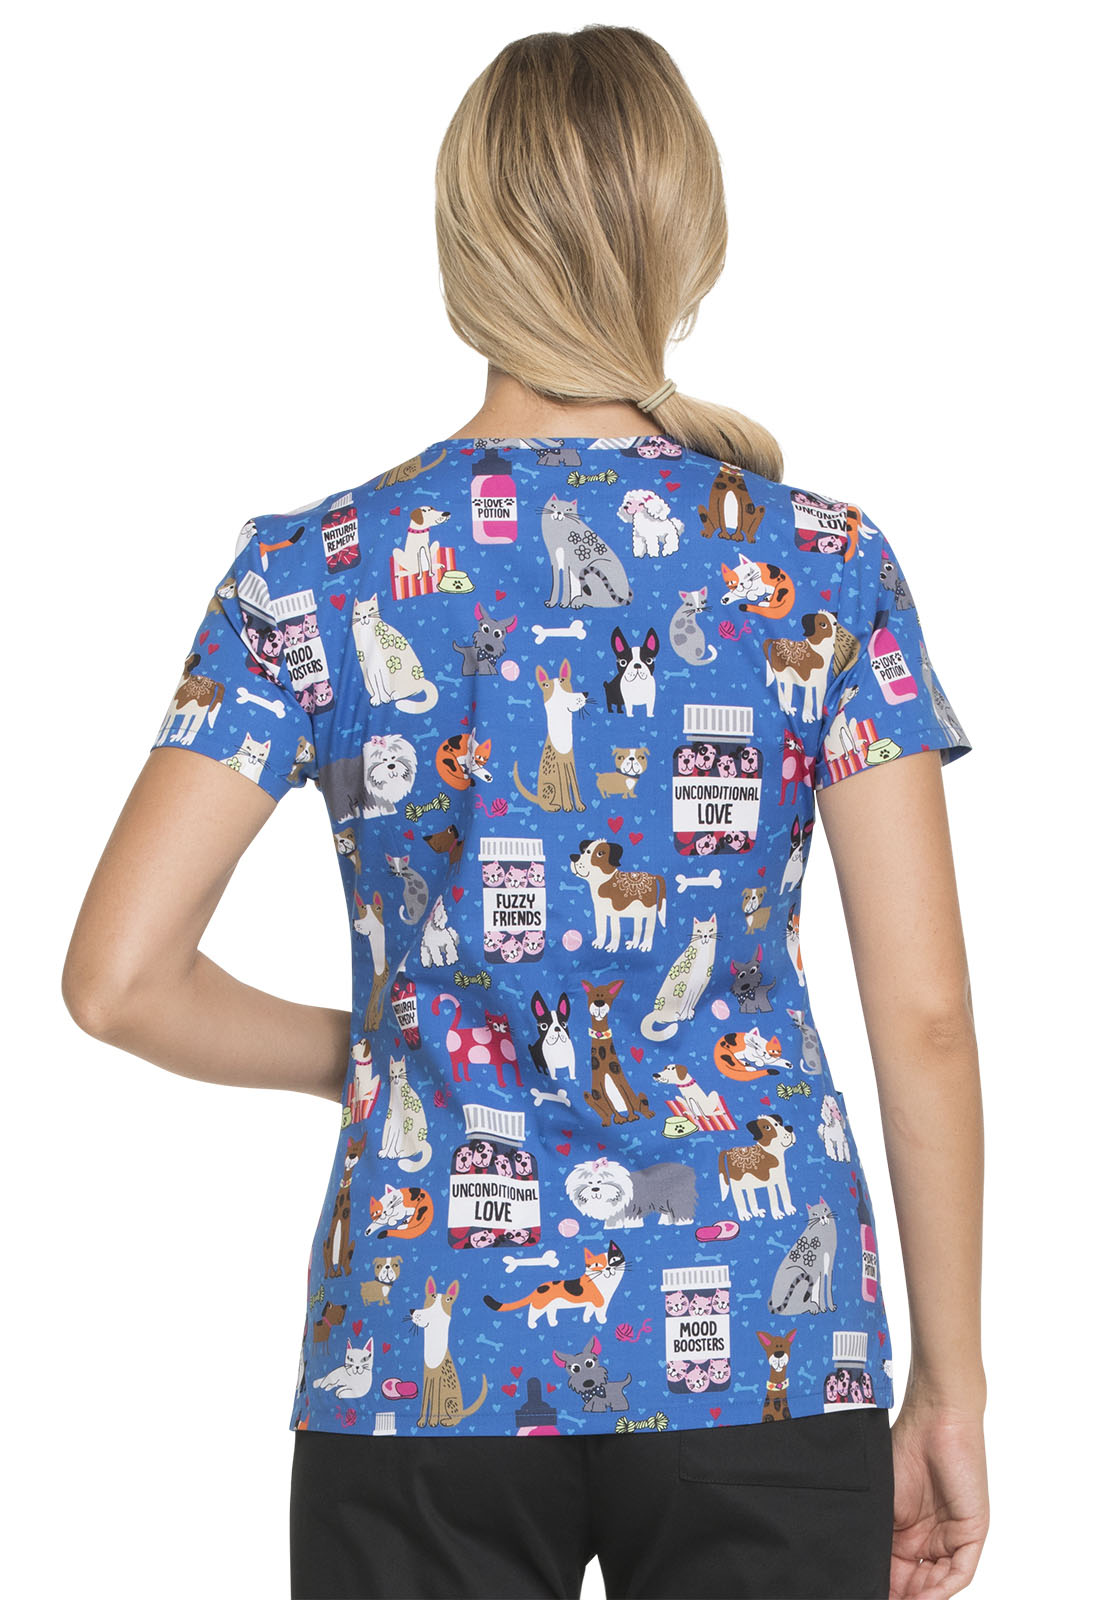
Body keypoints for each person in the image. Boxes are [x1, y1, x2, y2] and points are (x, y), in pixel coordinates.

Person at [61, 24, 989, 1600]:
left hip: (418, 1366)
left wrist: (380, 1058)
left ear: (462, 251)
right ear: (692, 242)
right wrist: (948, 1389)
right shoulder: (826, 567)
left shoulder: (313, 572)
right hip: (764, 1353)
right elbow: (927, 1019)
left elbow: (119, 980)